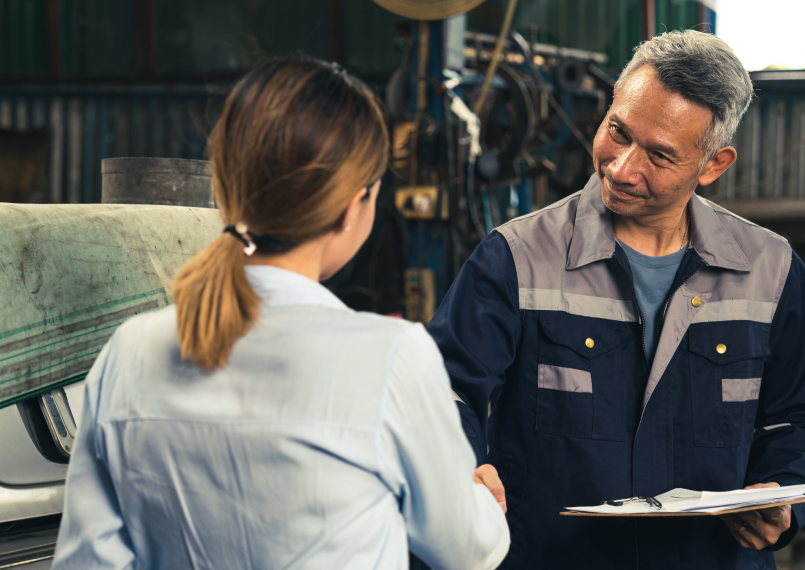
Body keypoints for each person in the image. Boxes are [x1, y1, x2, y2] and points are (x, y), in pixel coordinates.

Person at [52, 56, 509, 570]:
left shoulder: (130, 352)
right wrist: (479, 499)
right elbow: (467, 551)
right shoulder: (390, 359)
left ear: (225, 188)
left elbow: (87, 561)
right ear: (352, 207)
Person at [428, 30, 805, 569]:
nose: (621, 168)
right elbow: (444, 392)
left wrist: (784, 492)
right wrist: (463, 462)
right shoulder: (516, 258)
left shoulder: (771, 271)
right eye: (618, 132)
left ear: (713, 164)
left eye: (659, 156)